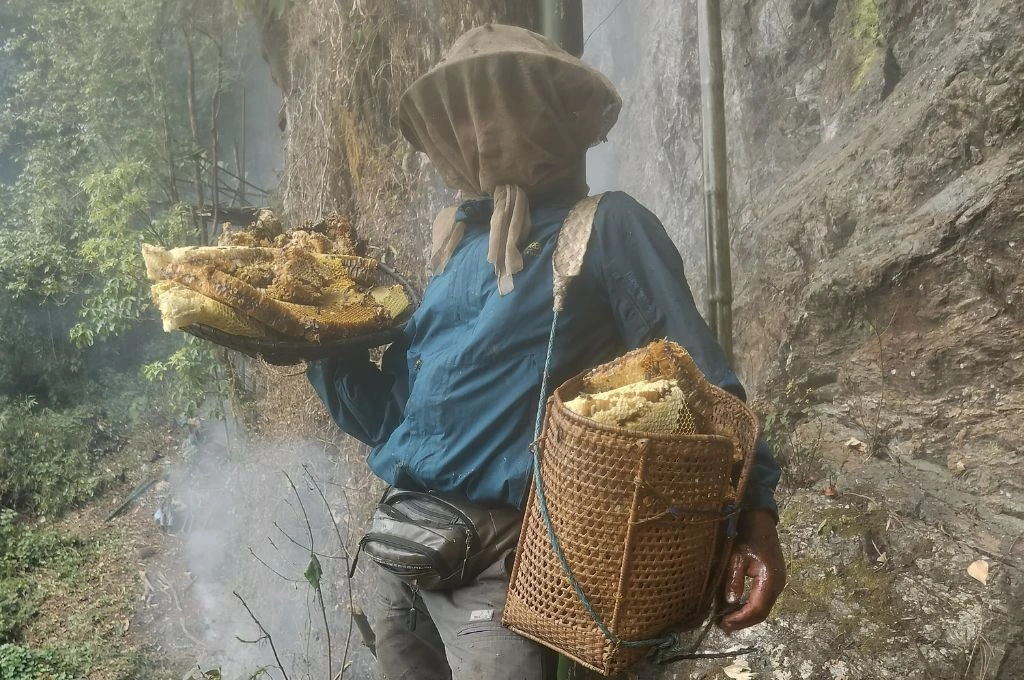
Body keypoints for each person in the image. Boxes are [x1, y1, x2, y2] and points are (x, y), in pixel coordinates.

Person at [307, 24, 785, 680]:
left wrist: (756, 517)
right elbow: (394, 422)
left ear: (549, 113)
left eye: (502, 105)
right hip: (400, 550)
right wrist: (316, 345)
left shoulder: (608, 226)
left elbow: (701, 390)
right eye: (466, 112)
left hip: (511, 565)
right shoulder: (455, 248)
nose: (481, 127)